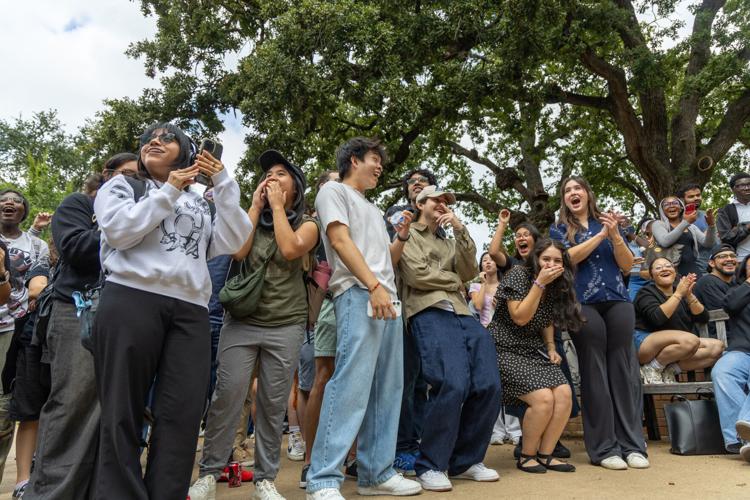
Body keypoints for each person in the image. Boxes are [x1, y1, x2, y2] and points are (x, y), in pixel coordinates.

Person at [92, 123, 251, 499]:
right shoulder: (122, 186)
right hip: (131, 297)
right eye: (148, 138)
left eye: (167, 137)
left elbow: (236, 239)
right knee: (123, 408)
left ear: (187, 152)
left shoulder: (199, 201)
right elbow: (119, 232)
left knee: (182, 412)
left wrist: (223, 180)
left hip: (191, 308)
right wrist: (170, 190)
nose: (154, 141)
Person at [191, 149, 319, 500]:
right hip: (242, 322)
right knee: (226, 396)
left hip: (286, 324)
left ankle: (265, 479)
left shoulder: (309, 224)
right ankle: (209, 474)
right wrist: (254, 206)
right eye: (268, 175)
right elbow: (237, 249)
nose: (272, 178)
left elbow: (292, 249)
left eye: (281, 173)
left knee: (273, 401)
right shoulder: (255, 214)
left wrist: (277, 208)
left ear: (296, 187)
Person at [306, 137, 421, 500]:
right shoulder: (332, 191)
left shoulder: (371, 208)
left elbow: (383, 256)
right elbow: (339, 242)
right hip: (359, 294)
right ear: (354, 159)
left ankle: (375, 474)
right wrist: (372, 286)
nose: (379, 167)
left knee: (388, 390)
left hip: (386, 299)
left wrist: (400, 236)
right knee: (350, 386)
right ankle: (322, 478)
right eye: (375, 159)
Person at [25, 152, 139, 500]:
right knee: (72, 405)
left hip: (124, 316)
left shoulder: (144, 210)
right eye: (124, 174)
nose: (131, 182)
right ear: (106, 175)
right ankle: (49, 493)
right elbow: (75, 247)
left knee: (112, 411)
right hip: (75, 311)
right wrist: (126, 229)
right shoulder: (77, 204)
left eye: (139, 177)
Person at [398, 185, 501, 491]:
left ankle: (465, 461)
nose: (443, 204)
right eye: (436, 199)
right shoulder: (407, 233)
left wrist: (460, 229)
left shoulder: (449, 237)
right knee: (451, 382)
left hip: (461, 313)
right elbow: (416, 275)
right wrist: (454, 279)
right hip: (427, 310)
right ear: (420, 203)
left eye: (447, 201)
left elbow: (469, 270)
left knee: (488, 384)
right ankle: (430, 464)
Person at [550, 176, 648, 471]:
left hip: (618, 299)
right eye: (567, 190)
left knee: (624, 371)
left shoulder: (609, 223)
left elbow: (628, 265)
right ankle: (604, 448)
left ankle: (632, 445)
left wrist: (615, 235)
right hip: (583, 303)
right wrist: (601, 236)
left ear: (588, 193)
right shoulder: (559, 228)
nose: (573, 193)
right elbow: (566, 259)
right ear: (564, 199)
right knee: (594, 371)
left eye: (578, 188)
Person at [490, 238, 583, 474]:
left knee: (563, 394)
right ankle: (527, 455)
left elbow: (547, 320)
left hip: (533, 349)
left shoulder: (556, 284)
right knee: (543, 399)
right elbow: (520, 317)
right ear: (536, 259)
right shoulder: (518, 275)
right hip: (503, 348)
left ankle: (546, 454)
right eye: (545, 259)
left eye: (556, 260)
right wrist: (539, 284)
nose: (550, 264)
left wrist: (551, 347)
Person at [385, 168, 437, 476]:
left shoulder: (440, 221)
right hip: (401, 305)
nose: (416, 186)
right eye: (412, 184)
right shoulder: (396, 214)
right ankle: (401, 445)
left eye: (423, 183)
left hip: (429, 308)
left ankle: (415, 441)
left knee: (421, 381)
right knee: (404, 379)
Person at [0, 189, 49, 486]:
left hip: (15, 330)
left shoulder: (37, 245)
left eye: (16, 200)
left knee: (5, 410)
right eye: (3, 198)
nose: (9, 202)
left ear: (23, 211)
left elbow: (38, 283)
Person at [300, 170, 340, 488]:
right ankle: (311, 460)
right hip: (327, 305)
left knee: (352, 379)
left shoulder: (355, 213)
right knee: (322, 378)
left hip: (360, 304)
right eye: (334, 180)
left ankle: (348, 457)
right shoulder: (313, 221)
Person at [633, 258, 723, 384]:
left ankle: (669, 369)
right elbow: (657, 318)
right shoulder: (646, 293)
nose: (664, 268)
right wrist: (679, 294)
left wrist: (689, 295)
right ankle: (651, 368)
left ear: (675, 272)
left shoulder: (680, 292)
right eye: (658, 268)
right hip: (645, 344)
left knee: (717, 347)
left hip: (675, 348)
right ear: (652, 276)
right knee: (691, 341)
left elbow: (703, 317)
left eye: (668, 266)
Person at [469, 252, 521, 446]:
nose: (488, 262)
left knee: (512, 384)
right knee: (494, 384)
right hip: (485, 337)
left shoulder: (506, 284)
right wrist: (483, 284)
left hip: (507, 337)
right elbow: (478, 304)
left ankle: (515, 430)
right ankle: (496, 430)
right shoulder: (475, 286)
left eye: (491, 259)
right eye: (484, 260)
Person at [714, 253, 750, 459]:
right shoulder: (739, 291)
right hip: (741, 351)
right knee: (722, 372)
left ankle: (745, 435)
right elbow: (730, 305)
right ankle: (742, 439)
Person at [650, 195, 716, 277]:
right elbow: (665, 242)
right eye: (666, 204)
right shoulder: (658, 224)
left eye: (675, 203)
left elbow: (708, 244)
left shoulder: (691, 226)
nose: (671, 205)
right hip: (670, 271)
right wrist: (685, 222)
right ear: (662, 210)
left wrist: (711, 226)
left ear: (681, 207)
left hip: (692, 270)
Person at [694, 244, 737, 338]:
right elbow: (727, 310)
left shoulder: (736, 281)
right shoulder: (707, 282)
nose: (730, 259)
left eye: (733, 256)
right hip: (719, 337)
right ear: (712, 263)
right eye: (723, 256)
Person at [677, 183, 718, 274]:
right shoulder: (677, 220)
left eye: (698, 195)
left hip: (715, 265)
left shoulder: (706, 215)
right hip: (694, 268)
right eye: (691, 196)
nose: (696, 198)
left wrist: (712, 226)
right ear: (682, 200)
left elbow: (712, 242)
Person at [718, 172, 750, 261]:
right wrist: (747, 227)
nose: (747, 188)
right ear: (733, 189)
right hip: (740, 260)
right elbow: (726, 237)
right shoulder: (726, 211)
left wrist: (737, 229)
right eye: (742, 185)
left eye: (749, 184)